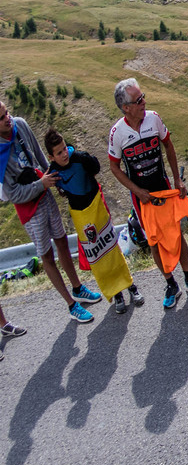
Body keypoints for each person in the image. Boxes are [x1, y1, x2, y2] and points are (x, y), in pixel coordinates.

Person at [107, 78, 188, 306]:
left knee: (175, 232)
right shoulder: (117, 133)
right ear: (126, 107)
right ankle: (171, 283)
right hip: (141, 196)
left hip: (163, 187)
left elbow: (168, 144)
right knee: (153, 241)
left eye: (143, 97)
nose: (144, 102)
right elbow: (113, 166)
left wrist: (177, 179)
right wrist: (137, 191)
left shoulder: (153, 118)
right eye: (138, 100)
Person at [0, 101, 102, 321]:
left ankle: (77, 288)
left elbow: (39, 156)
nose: (7, 118)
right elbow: (14, 194)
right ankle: (71, 304)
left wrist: (57, 179)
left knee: (62, 240)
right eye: (1, 118)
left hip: (45, 193)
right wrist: (42, 184)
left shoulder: (20, 125)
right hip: (29, 209)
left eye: (6, 112)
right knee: (46, 255)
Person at [44, 128, 143, 312]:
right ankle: (116, 293)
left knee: (111, 248)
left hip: (97, 207)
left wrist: (88, 160)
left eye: (65, 148)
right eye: (59, 152)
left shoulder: (79, 158)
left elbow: (96, 168)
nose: (64, 153)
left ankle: (130, 286)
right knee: (97, 257)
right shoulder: (53, 172)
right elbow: (53, 185)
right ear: (51, 156)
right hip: (80, 216)